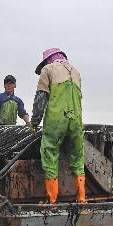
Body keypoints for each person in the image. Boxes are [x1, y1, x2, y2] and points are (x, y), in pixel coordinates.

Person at [29, 48, 85, 204]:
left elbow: (41, 98)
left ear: (48, 60)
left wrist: (34, 122)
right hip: (76, 121)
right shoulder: (76, 72)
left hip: (56, 121)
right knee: (77, 157)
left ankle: (52, 200)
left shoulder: (48, 69)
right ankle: (81, 198)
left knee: (50, 153)